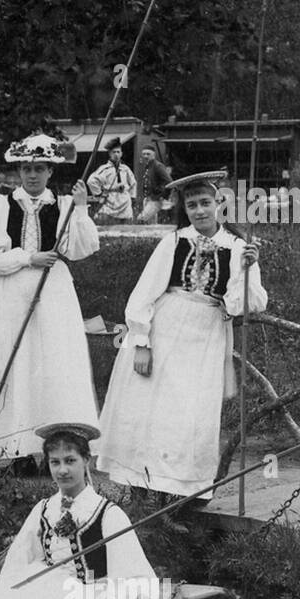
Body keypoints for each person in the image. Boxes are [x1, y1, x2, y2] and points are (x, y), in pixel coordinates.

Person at [96, 171, 266, 499]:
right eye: (192, 205)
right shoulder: (173, 242)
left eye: (205, 203)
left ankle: (178, 494)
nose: (200, 211)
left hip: (205, 336)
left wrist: (246, 269)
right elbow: (143, 295)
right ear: (185, 210)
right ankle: (141, 491)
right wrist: (142, 343)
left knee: (190, 414)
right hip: (165, 328)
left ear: (219, 204)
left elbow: (247, 302)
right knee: (152, 409)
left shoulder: (237, 247)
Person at [0, 130, 99, 465]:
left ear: (51, 171)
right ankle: (12, 450)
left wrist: (81, 210)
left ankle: (52, 451)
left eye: (40, 168)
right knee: (12, 363)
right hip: (10, 293)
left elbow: (81, 249)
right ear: (19, 171)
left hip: (53, 294)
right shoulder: (1, 205)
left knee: (52, 365)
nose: (33, 174)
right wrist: (28, 258)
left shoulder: (64, 205)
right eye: (27, 168)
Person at [0, 424, 159, 599]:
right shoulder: (44, 509)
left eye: (70, 461)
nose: (62, 470)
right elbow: (19, 560)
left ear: (86, 460)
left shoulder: (108, 514)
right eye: (55, 462)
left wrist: (134, 598)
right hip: (50, 588)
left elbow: (131, 568)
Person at [88, 137, 137, 222]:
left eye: (118, 152)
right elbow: (91, 181)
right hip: (111, 200)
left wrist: (132, 197)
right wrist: (100, 193)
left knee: (126, 225)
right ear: (109, 154)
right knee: (106, 224)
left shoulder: (125, 169)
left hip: (125, 201)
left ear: (121, 153)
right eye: (114, 152)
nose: (116, 154)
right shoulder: (104, 169)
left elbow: (133, 183)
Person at [139, 147, 174, 224]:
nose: (145, 156)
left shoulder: (158, 166)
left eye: (148, 154)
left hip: (155, 199)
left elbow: (169, 181)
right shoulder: (148, 166)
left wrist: (162, 195)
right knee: (150, 224)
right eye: (144, 154)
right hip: (148, 198)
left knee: (141, 219)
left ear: (153, 155)